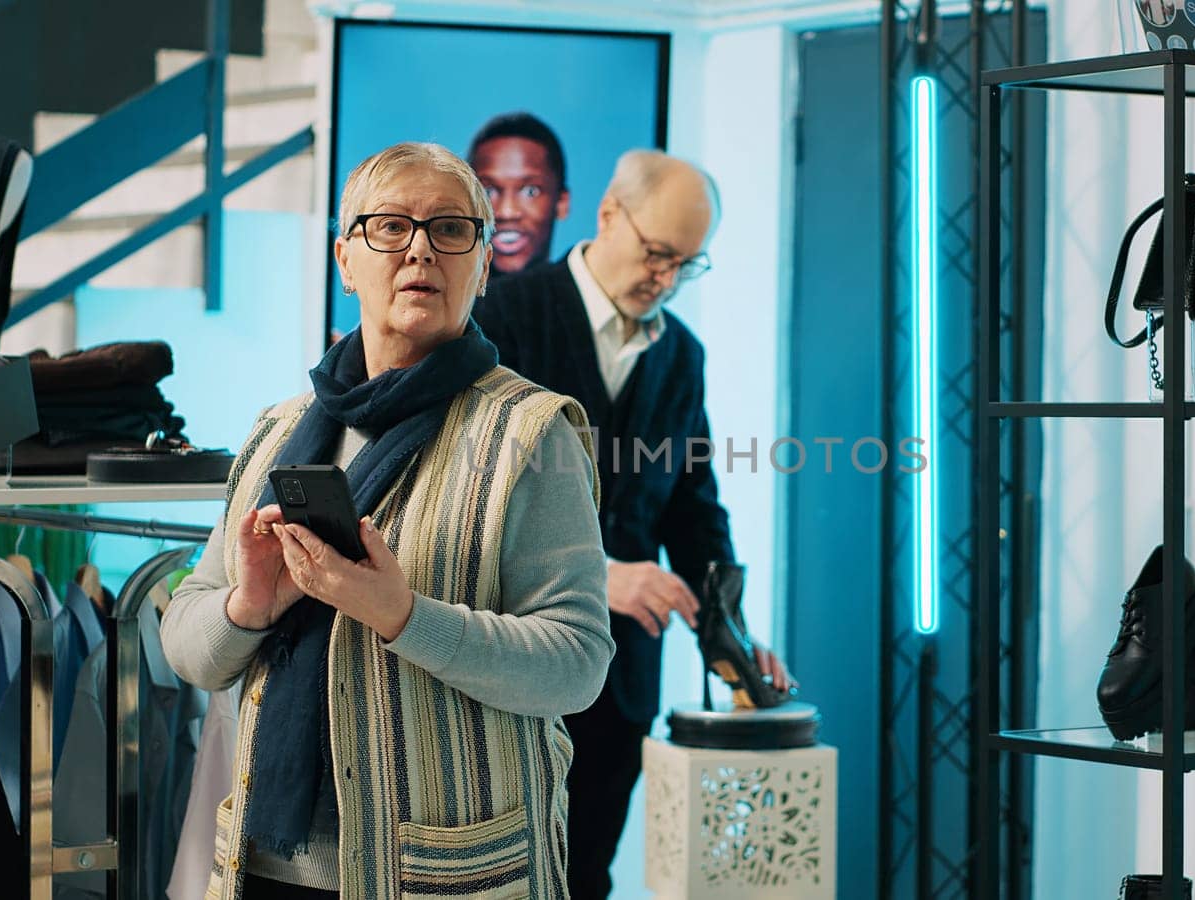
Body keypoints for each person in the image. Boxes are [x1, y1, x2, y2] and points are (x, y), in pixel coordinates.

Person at [160, 141, 612, 900]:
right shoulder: (280, 429)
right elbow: (188, 644)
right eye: (390, 227)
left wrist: (401, 615)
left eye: (450, 230)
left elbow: (577, 662)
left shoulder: (533, 434)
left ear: (482, 262)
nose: (420, 252)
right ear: (345, 258)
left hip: (447, 874)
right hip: (263, 868)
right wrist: (248, 607)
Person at [476, 149, 794, 899]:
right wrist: (601, 576)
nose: (668, 278)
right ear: (608, 216)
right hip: (507, 665)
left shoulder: (682, 354)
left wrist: (731, 631)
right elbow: (471, 497)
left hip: (619, 683)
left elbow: (694, 506)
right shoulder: (500, 318)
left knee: (586, 876)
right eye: (658, 254)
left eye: (688, 264)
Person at [469, 112, 571, 277]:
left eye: (530, 191)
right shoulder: (441, 298)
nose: (507, 212)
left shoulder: (586, 299)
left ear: (562, 203)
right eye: (488, 191)